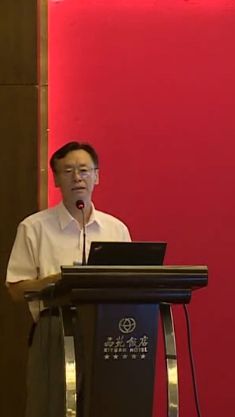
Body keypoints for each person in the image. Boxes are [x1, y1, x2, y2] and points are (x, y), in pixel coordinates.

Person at [5, 141, 130, 417]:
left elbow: (127, 284)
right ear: (56, 179)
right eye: (68, 171)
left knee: (105, 406)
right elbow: (15, 290)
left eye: (84, 170)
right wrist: (59, 281)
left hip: (106, 332)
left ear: (97, 176)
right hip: (55, 330)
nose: (77, 177)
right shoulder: (34, 227)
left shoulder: (116, 229)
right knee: (50, 407)